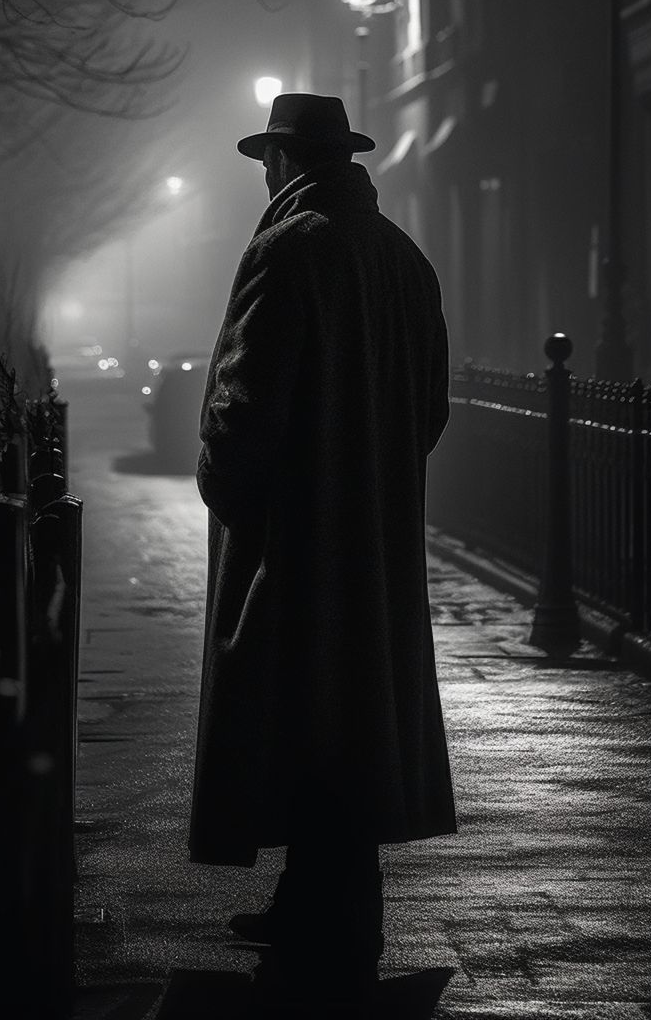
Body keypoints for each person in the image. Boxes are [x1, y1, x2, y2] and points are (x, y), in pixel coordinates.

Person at [188, 93, 456, 1000]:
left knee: (295, 709)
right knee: (356, 716)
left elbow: (243, 408)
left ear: (286, 163)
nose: (265, 174)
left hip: (297, 535)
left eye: (270, 158)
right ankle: (332, 903)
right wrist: (375, 474)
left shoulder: (288, 249)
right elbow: (429, 410)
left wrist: (228, 488)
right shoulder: (403, 260)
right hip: (373, 533)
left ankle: (316, 915)